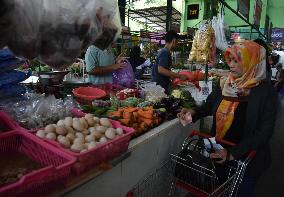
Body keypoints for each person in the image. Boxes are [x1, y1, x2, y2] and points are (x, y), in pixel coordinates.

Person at [178, 40, 277, 197]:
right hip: (218, 153)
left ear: (252, 61)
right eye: (230, 60)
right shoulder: (225, 83)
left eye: (237, 60)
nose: (231, 65)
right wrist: (193, 113)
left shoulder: (266, 93)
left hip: (246, 161)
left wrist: (232, 153)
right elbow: (209, 106)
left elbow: (263, 133)